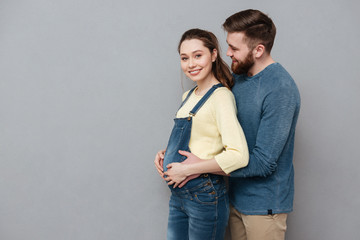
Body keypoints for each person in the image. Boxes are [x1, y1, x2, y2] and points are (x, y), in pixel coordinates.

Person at [155, 9, 301, 240]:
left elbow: (263, 164)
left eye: (234, 48)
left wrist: (195, 168)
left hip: (264, 206)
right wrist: (174, 155)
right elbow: (212, 131)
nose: (228, 53)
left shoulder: (280, 89)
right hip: (233, 197)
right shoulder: (238, 81)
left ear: (259, 50)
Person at [156, 28, 249, 240]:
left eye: (198, 55)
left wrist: (189, 169)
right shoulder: (188, 95)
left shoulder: (221, 97)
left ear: (214, 55)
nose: (191, 64)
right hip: (179, 196)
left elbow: (239, 155)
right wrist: (166, 153)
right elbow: (199, 140)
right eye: (185, 58)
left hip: (204, 195)